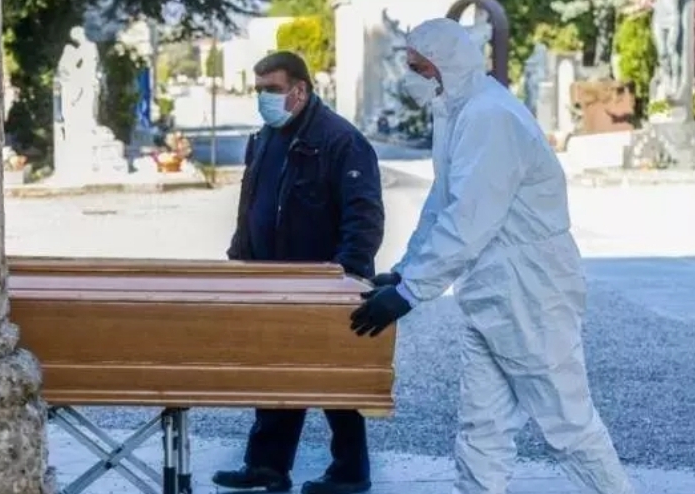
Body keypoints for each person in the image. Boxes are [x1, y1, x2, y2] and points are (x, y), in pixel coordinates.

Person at [348, 18, 636, 494]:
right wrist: (404, 272)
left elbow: (470, 218)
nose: (411, 78)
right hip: (490, 289)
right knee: (483, 423)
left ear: (445, 66)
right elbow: (442, 202)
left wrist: (411, 292)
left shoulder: (489, 116)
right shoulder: (457, 111)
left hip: (530, 289)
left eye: (419, 68)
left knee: (566, 421)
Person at [214, 51, 385, 494]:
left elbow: (364, 218)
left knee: (336, 380)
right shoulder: (267, 137)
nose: (264, 99)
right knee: (274, 373)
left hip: (324, 284)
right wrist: (239, 262)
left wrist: (345, 280)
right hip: (269, 279)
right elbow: (252, 205)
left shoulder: (340, 140)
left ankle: (350, 472)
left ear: (300, 90)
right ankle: (266, 466)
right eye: (259, 90)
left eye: (272, 89)